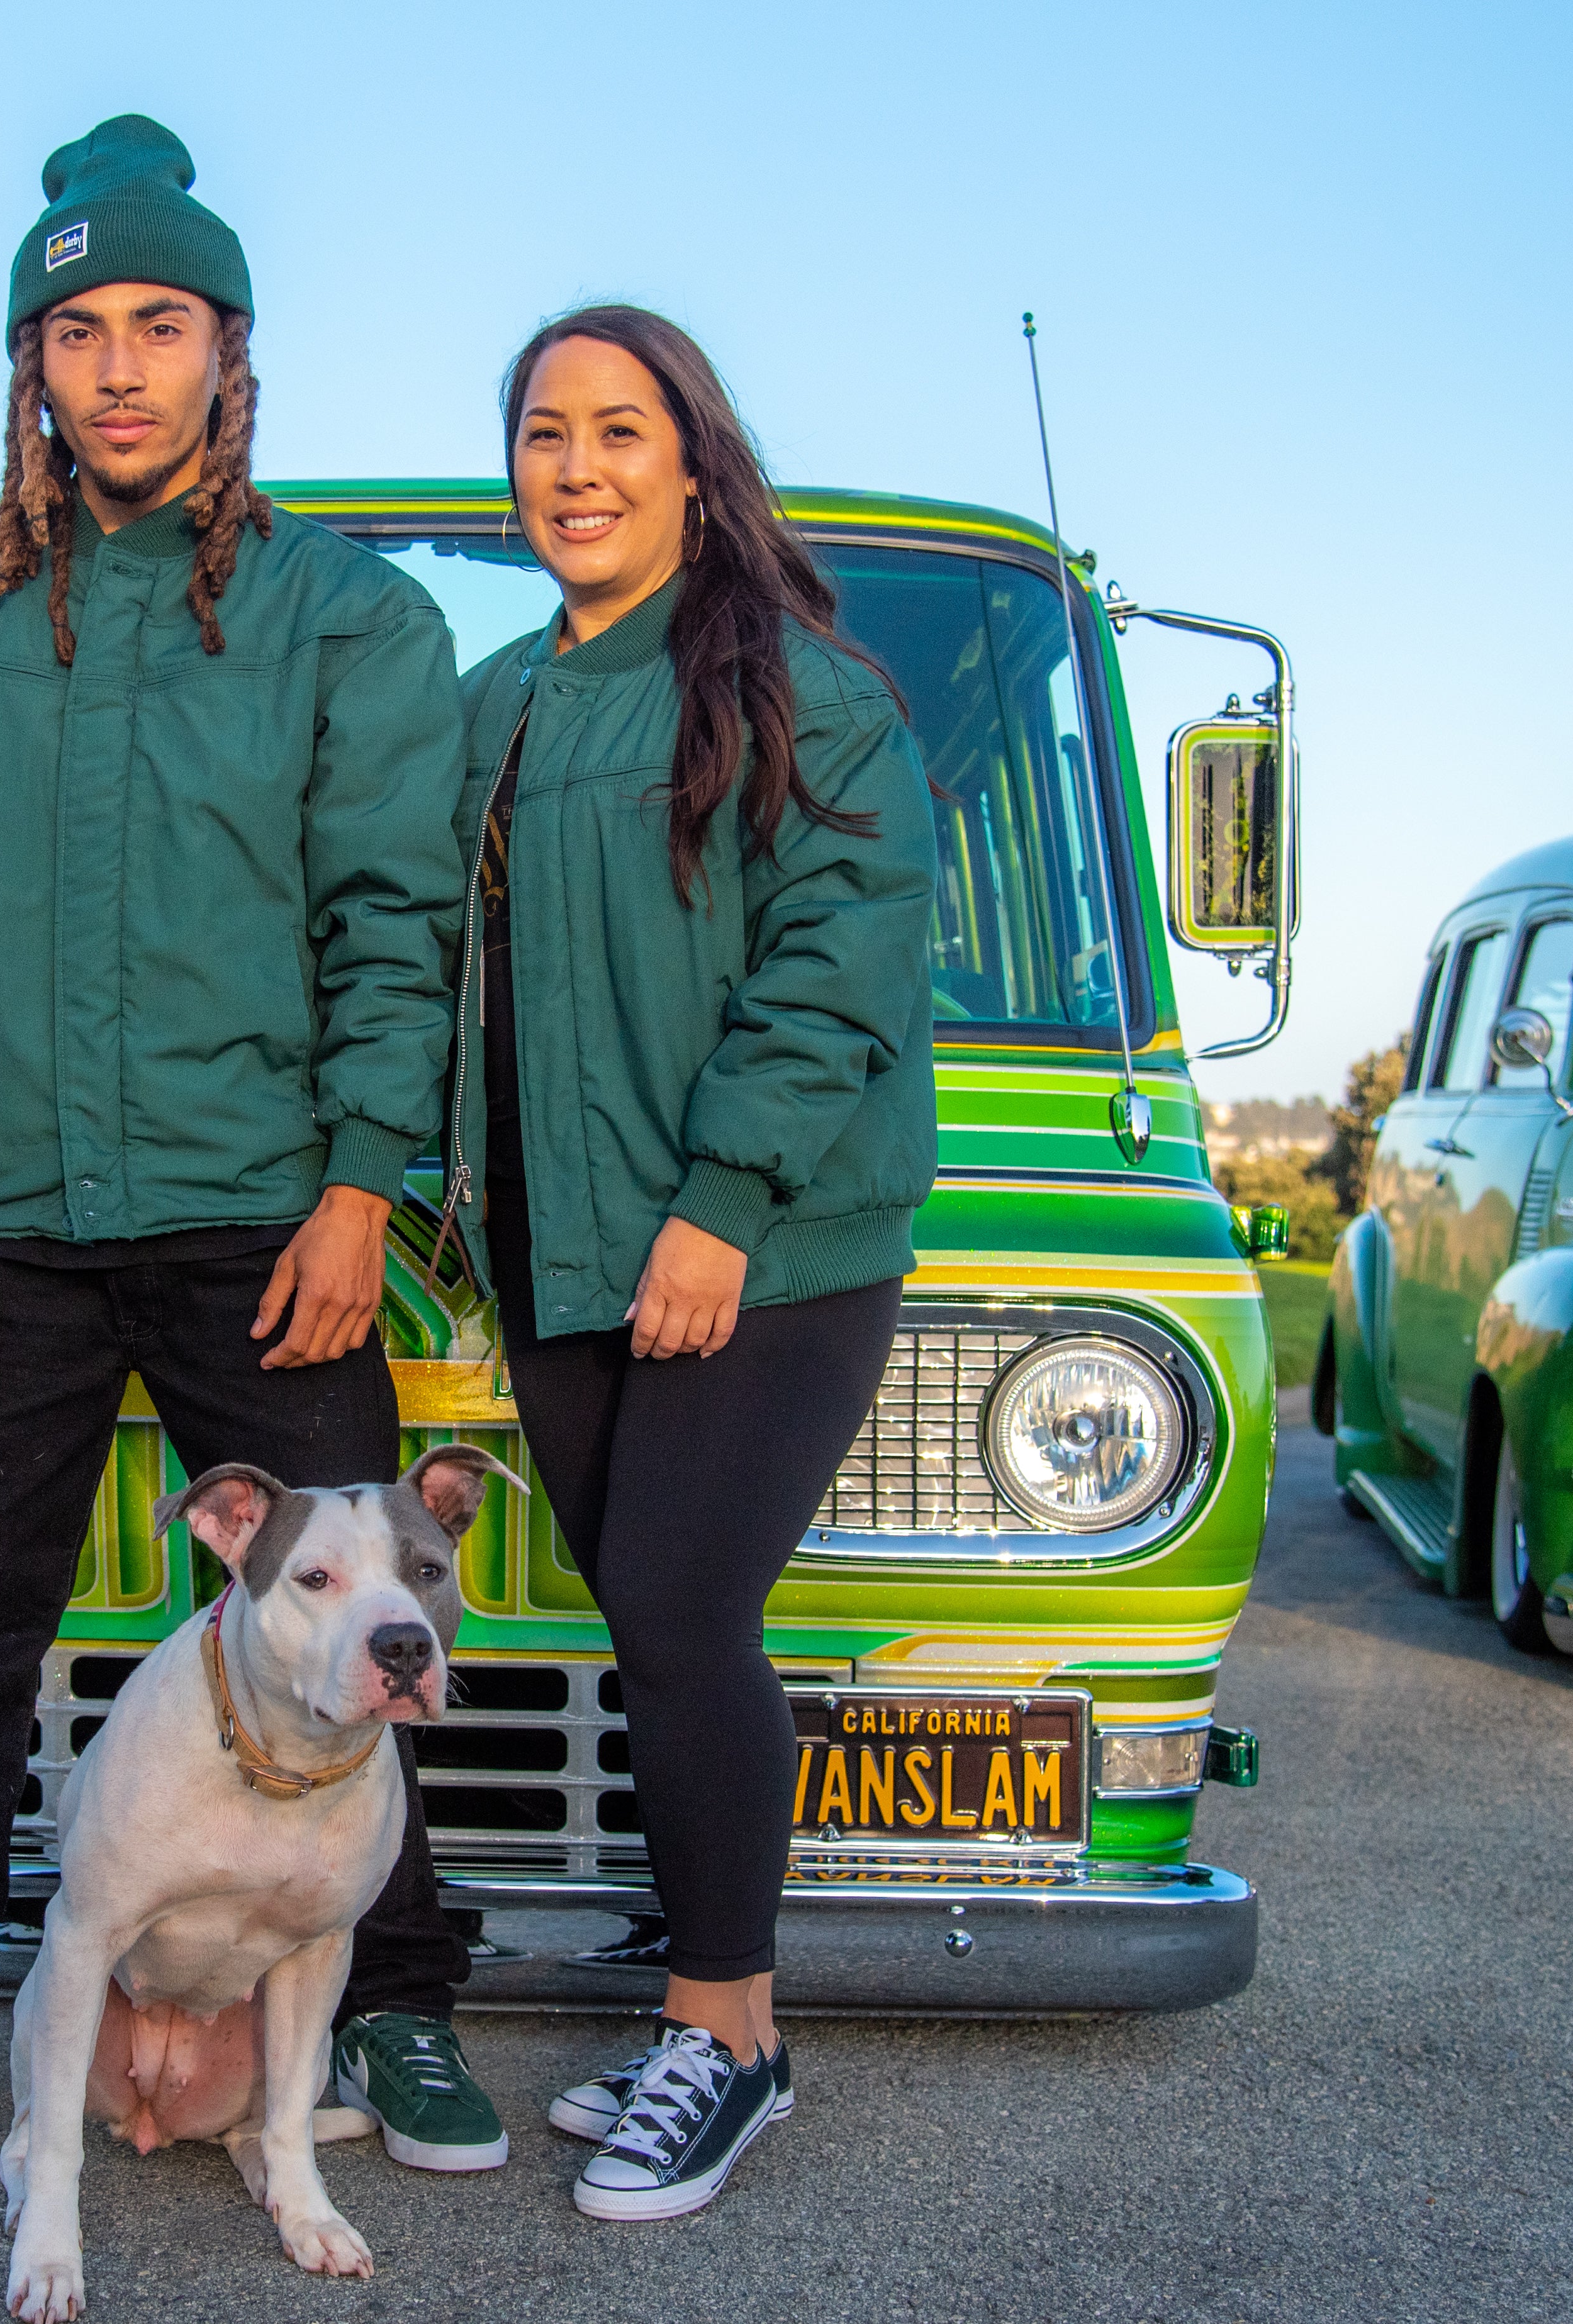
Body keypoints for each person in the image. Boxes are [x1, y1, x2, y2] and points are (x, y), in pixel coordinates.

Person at [0, 114, 507, 2174]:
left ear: (228, 355)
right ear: (31, 366)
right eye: (74, 329)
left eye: (157, 324)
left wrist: (362, 1186)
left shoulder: (347, 619)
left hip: (267, 1219)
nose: (115, 367)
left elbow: (391, 921)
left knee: (361, 1621)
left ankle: (396, 2012)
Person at [447, 305, 936, 2220]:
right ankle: (703, 2019)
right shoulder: (496, 703)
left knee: (673, 1612)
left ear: (692, 459)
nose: (577, 468)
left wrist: (724, 1202)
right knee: (650, 1621)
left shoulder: (802, 687)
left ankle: (725, 2033)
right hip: (563, 1254)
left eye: (619, 431)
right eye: (546, 433)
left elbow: (837, 966)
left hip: (767, 1250)